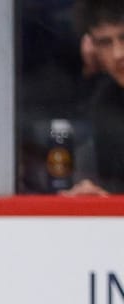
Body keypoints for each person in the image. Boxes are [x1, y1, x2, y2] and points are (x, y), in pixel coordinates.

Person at [68, 0, 124, 194]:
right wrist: (96, 195)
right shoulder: (105, 102)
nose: (118, 54)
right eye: (105, 43)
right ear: (91, 47)